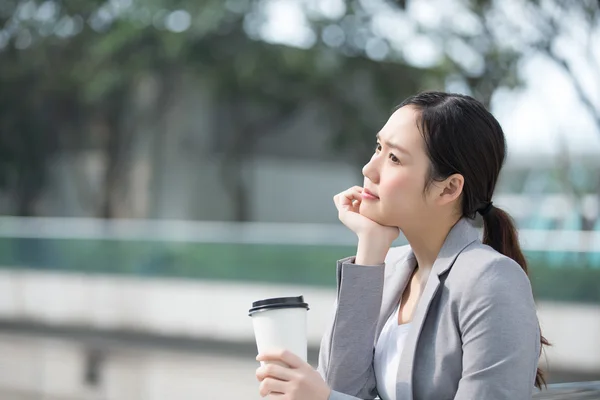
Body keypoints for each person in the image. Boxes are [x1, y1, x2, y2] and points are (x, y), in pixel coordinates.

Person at [255, 91, 548, 400]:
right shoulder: (389, 267)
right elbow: (343, 386)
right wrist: (370, 247)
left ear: (448, 188)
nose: (369, 169)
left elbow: (333, 395)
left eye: (394, 157)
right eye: (378, 147)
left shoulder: (491, 281)